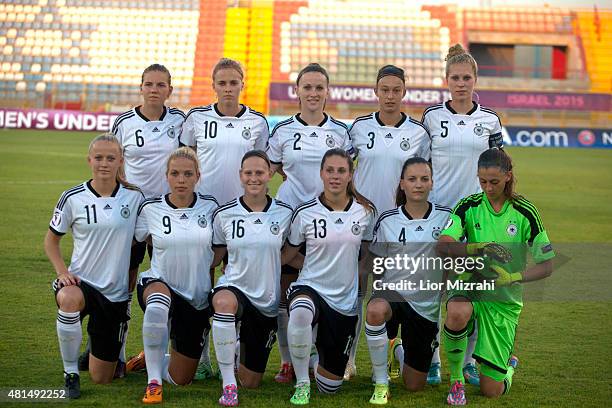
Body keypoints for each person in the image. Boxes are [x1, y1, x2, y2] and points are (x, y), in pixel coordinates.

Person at [82, 64, 184, 377]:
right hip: (132, 215)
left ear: (170, 89)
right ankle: (117, 353)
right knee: (123, 283)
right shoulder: (124, 122)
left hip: (169, 215)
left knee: (171, 283)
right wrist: (128, 194)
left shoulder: (180, 121)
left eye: (161, 85)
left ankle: (169, 355)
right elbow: (115, 162)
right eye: (149, 84)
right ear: (141, 87)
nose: (154, 89)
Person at [437, 148, 554, 405]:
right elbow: (443, 245)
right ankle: (457, 381)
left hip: (503, 299)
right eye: (482, 181)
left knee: (492, 390)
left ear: (508, 177)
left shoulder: (525, 212)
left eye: (494, 182)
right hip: (470, 283)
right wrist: (477, 248)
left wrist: (512, 277)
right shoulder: (469, 206)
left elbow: (547, 265)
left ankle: (508, 366)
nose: (488, 188)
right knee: (457, 311)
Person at [180, 57, 269, 378]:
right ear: (214, 85)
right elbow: (185, 160)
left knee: (237, 287)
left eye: (234, 83)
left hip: (242, 217)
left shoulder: (257, 123)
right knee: (203, 286)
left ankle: (232, 358)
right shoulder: (196, 119)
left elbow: (263, 167)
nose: (228, 88)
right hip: (202, 215)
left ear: (243, 85)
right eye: (223, 83)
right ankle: (201, 356)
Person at [421, 44, 504, 385]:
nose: (460, 83)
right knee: (434, 292)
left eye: (466, 77)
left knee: (472, 293)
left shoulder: (490, 120)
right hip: (439, 216)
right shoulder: (431, 117)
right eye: (454, 78)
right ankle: (433, 360)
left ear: (475, 79)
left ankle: (468, 360)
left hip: (476, 218)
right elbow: (421, 167)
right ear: (446, 80)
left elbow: (499, 168)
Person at [266, 63, 353, 383]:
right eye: (308, 87)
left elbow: (343, 172)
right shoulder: (283, 131)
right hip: (290, 218)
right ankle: (289, 360)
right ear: (298, 91)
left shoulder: (341, 133)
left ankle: (326, 355)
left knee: (327, 285)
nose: (313, 93)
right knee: (286, 289)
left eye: (319, 87)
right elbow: (270, 170)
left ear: (327, 92)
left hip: (328, 221)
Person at [347, 65, 431, 379]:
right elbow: (340, 169)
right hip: (363, 226)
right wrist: (356, 195)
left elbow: (423, 179)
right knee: (355, 291)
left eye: (397, 90)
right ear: (376, 92)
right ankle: (349, 359)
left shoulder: (418, 133)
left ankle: (397, 357)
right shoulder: (358, 128)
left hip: (401, 228)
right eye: (385, 90)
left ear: (404, 92)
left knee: (396, 295)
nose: (390, 96)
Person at [44, 134, 143, 398]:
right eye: (98, 157)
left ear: (120, 161)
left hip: (115, 294)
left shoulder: (134, 198)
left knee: (102, 379)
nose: (104, 163)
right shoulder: (72, 197)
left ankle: (94, 352)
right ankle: (70, 373)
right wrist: (62, 273)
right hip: (81, 284)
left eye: (111, 158)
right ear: (89, 160)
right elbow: (51, 241)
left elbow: (142, 239)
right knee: (68, 298)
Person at [282, 148, 376, 405]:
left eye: (341, 171)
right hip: (310, 288)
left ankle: (313, 358)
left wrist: (351, 272)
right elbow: (288, 255)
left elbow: (366, 255)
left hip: (344, 302)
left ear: (350, 175)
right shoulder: (305, 213)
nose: (335, 176)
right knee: (301, 311)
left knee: (329, 387)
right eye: (330, 170)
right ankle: (302, 382)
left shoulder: (365, 212)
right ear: (322, 173)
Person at [134, 147, 218, 404]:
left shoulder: (211, 208)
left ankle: (150, 358)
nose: (181, 179)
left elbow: (223, 247)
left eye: (187, 174)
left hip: (196, 299)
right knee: (158, 301)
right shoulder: (150, 209)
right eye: (175, 173)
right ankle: (153, 383)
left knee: (182, 379)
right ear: (166, 176)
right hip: (159, 283)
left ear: (198, 176)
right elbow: (133, 241)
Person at [210, 150, 293, 406]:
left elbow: (291, 255)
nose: (254, 178)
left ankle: (237, 352)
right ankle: (228, 384)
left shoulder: (286, 214)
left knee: (253, 381)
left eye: (259, 172)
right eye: (248, 173)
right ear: (240, 176)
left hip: (266, 301)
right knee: (224, 303)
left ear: (270, 174)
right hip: (234, 287)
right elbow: (214, 257)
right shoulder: (225, 214)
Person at [366, 157, 451, 405]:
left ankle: (397, 350)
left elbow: (451, 261)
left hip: (424, 305)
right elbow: (377, 263)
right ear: (402, 183)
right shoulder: (388, 219)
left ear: (432, 183)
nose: (418, 184)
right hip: (395, 294)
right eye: (412, 179)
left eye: (424, 179)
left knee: (414, 386)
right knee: (375, 310)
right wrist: (378, 292)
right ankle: (381, 381)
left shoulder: (446, 218)